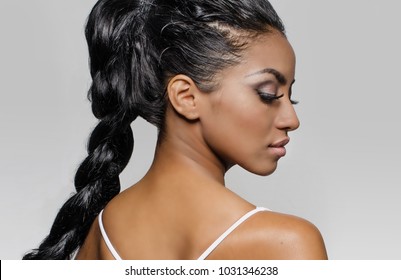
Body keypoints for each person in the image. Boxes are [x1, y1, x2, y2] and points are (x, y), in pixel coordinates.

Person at [23, 0, 328, 260]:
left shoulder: (102, 235)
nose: (292, 118)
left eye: (291, 96)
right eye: (269, 94)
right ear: (186, 97)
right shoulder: (288, 245)